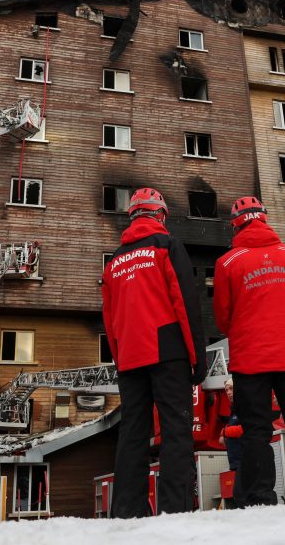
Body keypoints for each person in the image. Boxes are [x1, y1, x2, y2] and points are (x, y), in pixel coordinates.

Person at [213, 196, 285, 505]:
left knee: (255, 431)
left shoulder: (227, 263)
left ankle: (262, 497)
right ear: (264, 218)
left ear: (235, 224)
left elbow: (223, 317)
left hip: (250, 361)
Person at [101, 187, 207, 517]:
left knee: (133, 431)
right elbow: (186, 304)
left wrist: (120, 361)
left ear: (132, 217)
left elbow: (110, 318)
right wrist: (198, 358)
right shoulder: (167, 246)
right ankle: (175, 510)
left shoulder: (115, 260)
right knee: (176, 429)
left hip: (131, 357)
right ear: (160, 215)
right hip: (167, 351)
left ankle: (125, 510)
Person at [218, 379, 245, 508]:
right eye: (226, 390)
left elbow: (245, 429)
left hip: (245, 461)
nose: (228, 392)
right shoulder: (234, 410)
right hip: (237, 463)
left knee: (240, 495)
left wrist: (225, 433)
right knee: (240, 496)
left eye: (231, 388)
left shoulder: (244, 407)